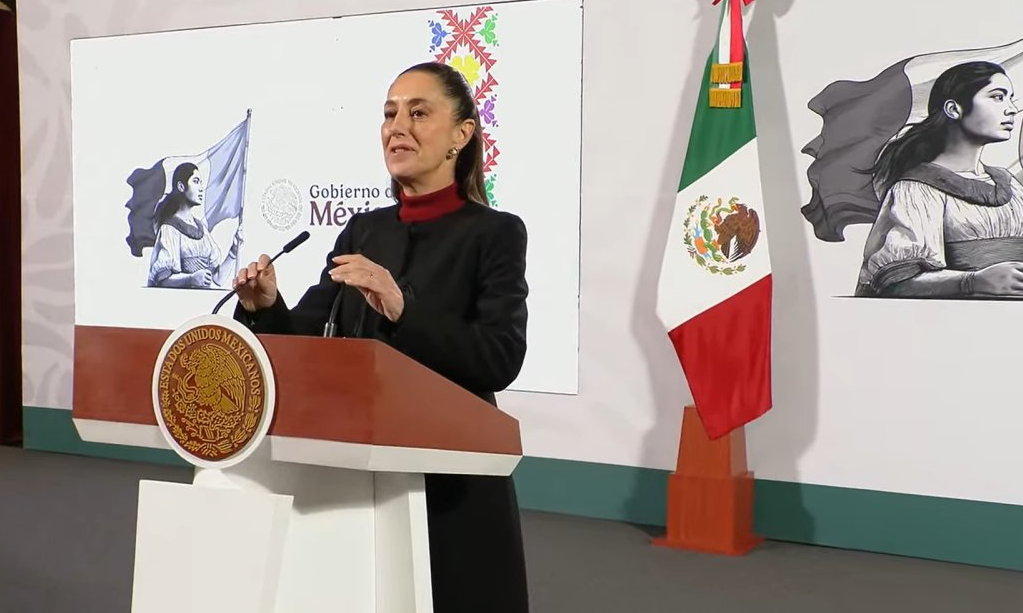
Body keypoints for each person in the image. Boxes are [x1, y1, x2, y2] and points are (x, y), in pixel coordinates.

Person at [231, 61, 530, 612]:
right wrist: (267, 307)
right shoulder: (364, 230)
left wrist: (401, 309)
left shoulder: (495, 234)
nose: (398, 127)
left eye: (419, 113)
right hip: (353, 481)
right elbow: (307, 339)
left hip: (449, 486)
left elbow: (500, 356)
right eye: (390, 114)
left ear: (461, 135)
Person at [856, 61, 1023, 299]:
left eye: (1010, 98)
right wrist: (972, 281)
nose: (1012, 109)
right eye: (997, 97)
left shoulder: (1010, 185)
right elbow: (896, 281)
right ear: (954, 109)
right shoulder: (916, 189)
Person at [148, 162, 241, 289]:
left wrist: (233, 251)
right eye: (196, 181)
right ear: (181, 186)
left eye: (201, 183)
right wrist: (190, 279)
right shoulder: (169, 229)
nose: (201, 188)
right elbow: (162, 280)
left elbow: (218, 278)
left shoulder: (201, 228)